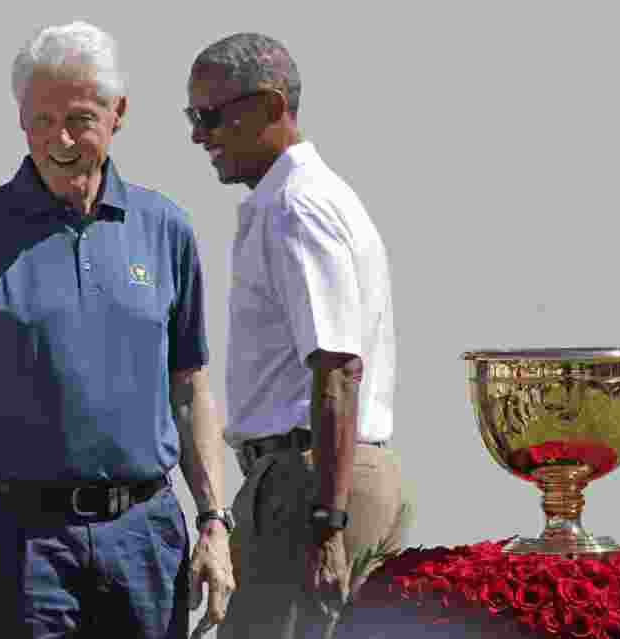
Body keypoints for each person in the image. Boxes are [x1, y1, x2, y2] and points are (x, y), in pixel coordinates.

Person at [0, 20, 234, 639]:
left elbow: (191, 390)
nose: (60, 139)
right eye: (41, 121)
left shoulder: (166, 228)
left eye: (78, 118)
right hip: (16, 545)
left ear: (118, 111)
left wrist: (213, 519)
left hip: (145, 539)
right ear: (21, 119)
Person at [185, 33, 412, 638]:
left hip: (310, 483)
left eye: (208, 116)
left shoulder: (296, 206)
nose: (197, 136)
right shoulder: (312, 198)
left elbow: (338, 368)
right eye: (193, 117)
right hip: (330, 479)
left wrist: (326, 523)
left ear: (265, 106)